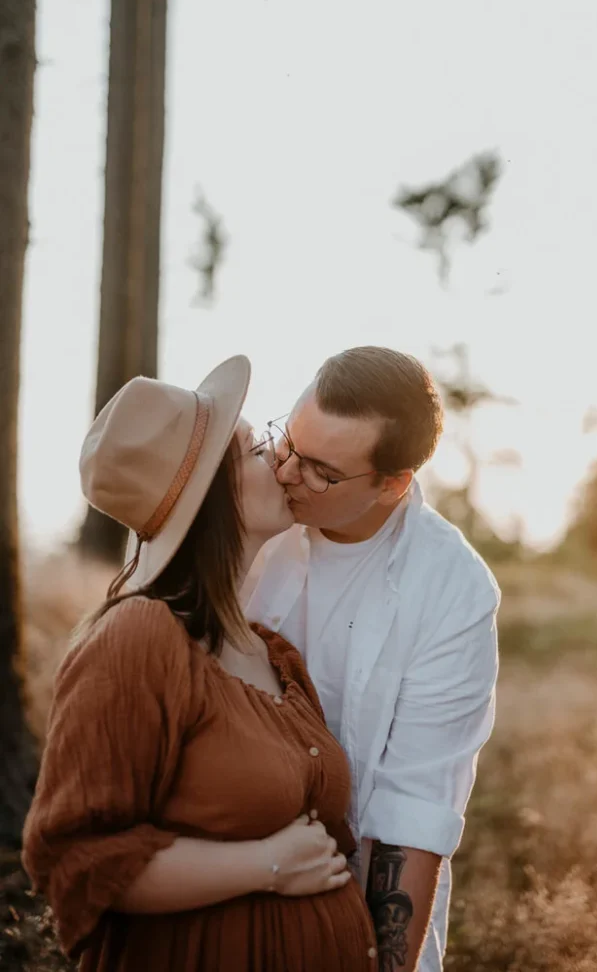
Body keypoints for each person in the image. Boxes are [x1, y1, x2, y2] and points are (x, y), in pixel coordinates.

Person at [22, 355, 378, 972]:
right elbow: (75, 859)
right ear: (208, 495)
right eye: (253, 450)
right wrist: (263, 865)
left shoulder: (273, 652)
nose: (280, 458)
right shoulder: (139, 638)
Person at [242, 346, 501, 972]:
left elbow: (414, 809)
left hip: (349, 900)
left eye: (322, 473)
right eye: (288, 444)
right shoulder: (244, 513)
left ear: (393, 482)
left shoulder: (452, 588)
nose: (285, 474)